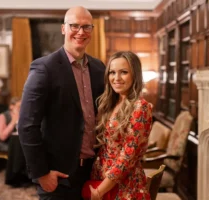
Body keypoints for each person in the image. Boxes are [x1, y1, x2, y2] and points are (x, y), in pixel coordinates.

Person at [18, 6, 105, 200]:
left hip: (94, 171)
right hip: (59, 175)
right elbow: (26, 125)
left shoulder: (99, 68)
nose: (81, 32)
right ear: (63, 29)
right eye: (74, 25)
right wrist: (41, 173)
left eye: (86, 27)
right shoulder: (44, 68)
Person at [89, 51, 153, 200]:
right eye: (112, 72)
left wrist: (100, 191)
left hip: (126, 188)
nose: (116, 78)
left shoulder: (141, 107)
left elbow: (127, 157)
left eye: (123, 72)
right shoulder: (110, 103)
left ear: (135, 75)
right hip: (102, 182)